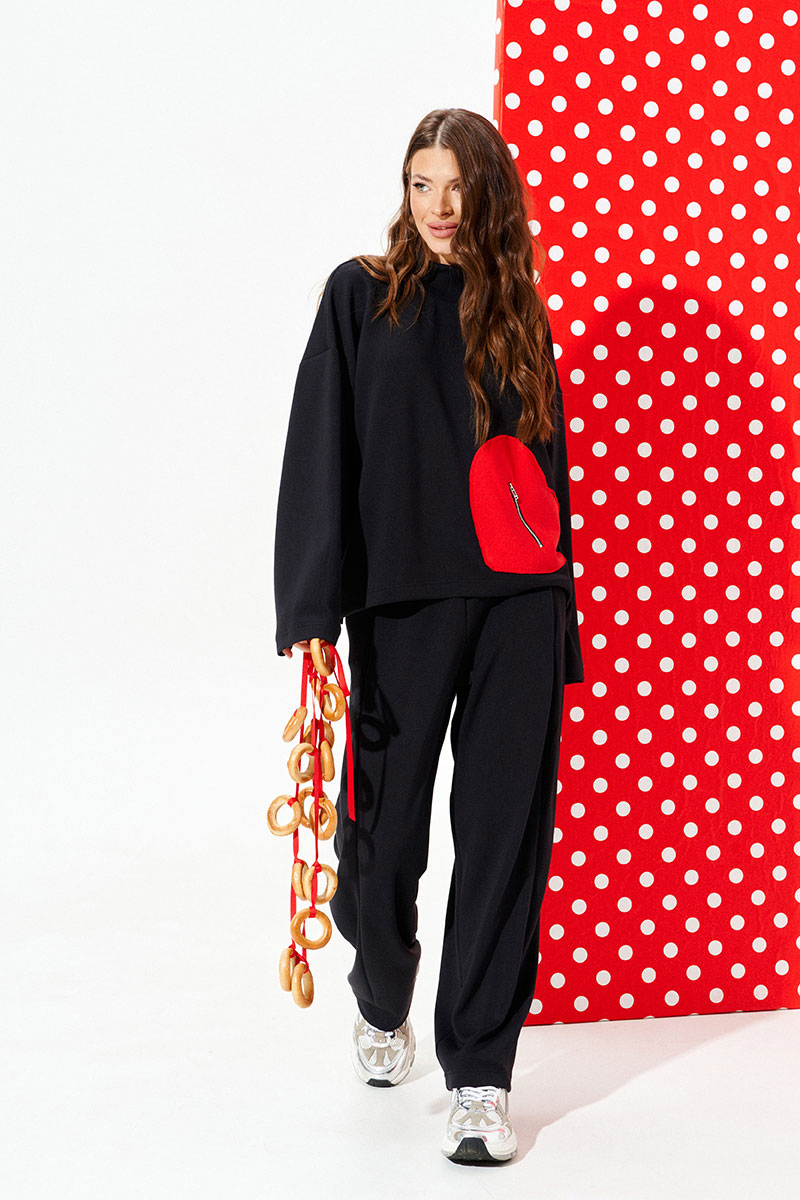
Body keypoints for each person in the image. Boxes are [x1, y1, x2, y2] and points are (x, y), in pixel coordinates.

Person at [273, 107, 585, 1165]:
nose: (439, 206)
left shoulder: (517, 308)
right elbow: (320, 447)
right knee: (379, 846)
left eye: (457, 185)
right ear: (404, 189)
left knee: (502, 844)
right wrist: (311, 612)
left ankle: (481, 1078)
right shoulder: (360, 295)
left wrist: (560, 621)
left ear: (487, 193)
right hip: (399, 606)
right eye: (421, 183)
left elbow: (546, 476)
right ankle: (381, 990)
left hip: (516, 606)